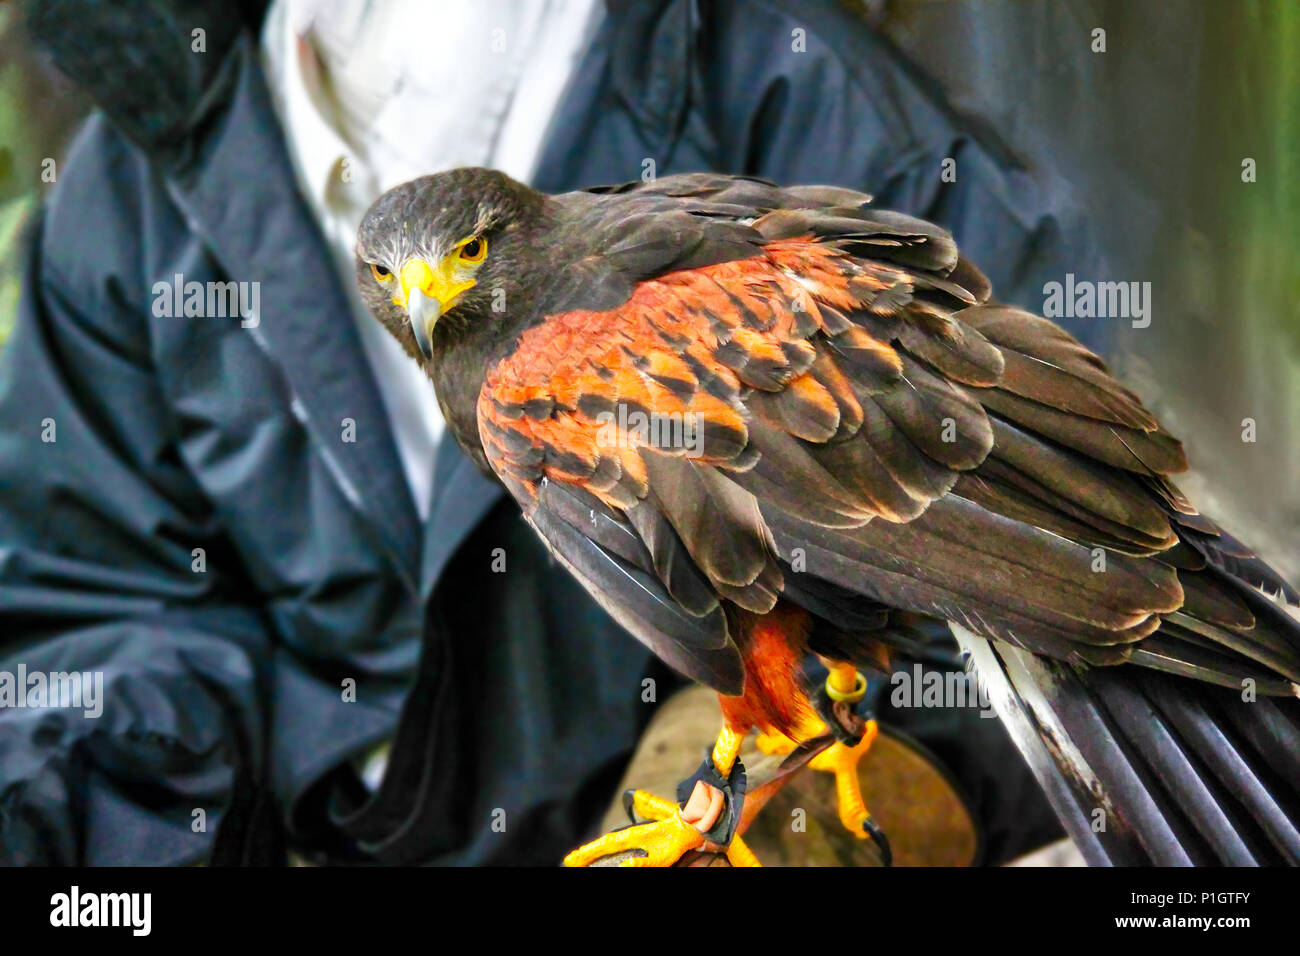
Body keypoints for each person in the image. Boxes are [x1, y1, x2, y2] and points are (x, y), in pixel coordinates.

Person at [0, 0, 1095, 865]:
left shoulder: (810, 100)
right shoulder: (131, 185)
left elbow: (1064, 574)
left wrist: (792, 810)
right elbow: (101, 604)